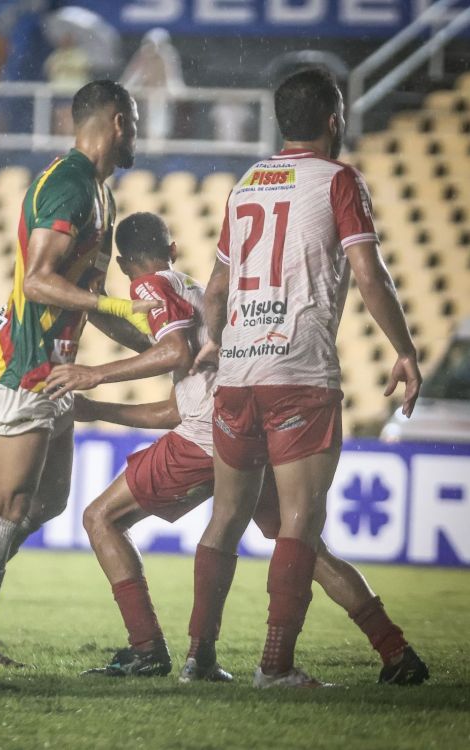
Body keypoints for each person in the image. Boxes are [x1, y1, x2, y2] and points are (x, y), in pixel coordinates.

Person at [46, 211, 428, 686]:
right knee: (304, 546)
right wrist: (99, 410)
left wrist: (94, 374)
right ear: (173, 250)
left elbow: (174, 353)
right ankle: (394, 649)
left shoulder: (150, 287)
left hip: (210, 437)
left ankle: (149, 649)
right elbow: (175, 406)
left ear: (125, 265)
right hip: (244, 429)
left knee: (101, 518)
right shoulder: (191, 294)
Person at [188, 67, 424, 688]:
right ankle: (276, 665)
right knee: (300, 522)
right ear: (333, 120)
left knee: (226, 517)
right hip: (297, 371)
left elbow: (215, 290)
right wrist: (404, 350)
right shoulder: (339, 179)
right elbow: (368, 273)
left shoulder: (245, 184)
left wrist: (218, 342)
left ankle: (199, 658)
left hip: (237, 374)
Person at [0, 80, 151, 669]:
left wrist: (158, 347)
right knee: (7, 503)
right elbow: (41, 281)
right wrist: (112, 305)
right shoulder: (68, 182)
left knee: (46, 502)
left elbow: (88, 300)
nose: (138, 134)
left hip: (54, 367)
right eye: (135, 121)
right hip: (21, 364)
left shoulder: (100, 193)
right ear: (117, 122)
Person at [121, 28, 183, 140]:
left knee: (159, 126)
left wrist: (175, 90)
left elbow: (173, 77)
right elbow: (133, 76)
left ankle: (157, 145)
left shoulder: (168, 55)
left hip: (161, 96)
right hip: (144, 96)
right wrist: (124, 89)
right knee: (141, 124)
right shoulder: (143, 54)